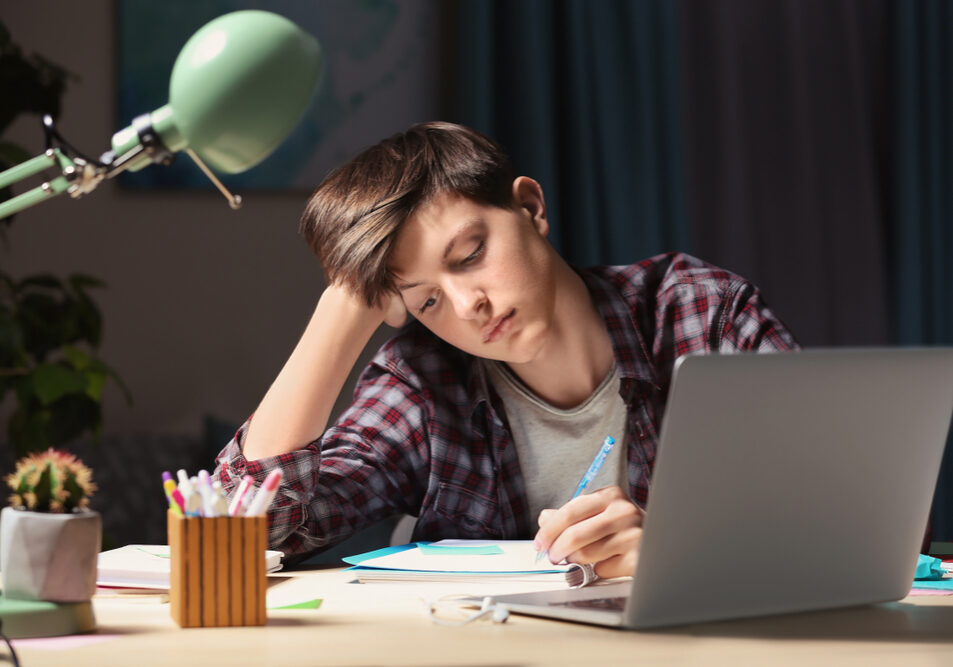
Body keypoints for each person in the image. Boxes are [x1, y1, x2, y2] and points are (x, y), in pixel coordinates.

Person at [213, 121, 798, 577]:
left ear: (531, 208)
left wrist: (679, 550)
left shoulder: (699, 313)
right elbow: (241, 536)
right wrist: (341, 309)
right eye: (427, 301)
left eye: (469, 256)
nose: (468, 305)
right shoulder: (422, 381)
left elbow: (832, 509)